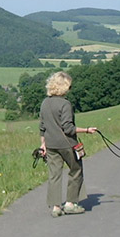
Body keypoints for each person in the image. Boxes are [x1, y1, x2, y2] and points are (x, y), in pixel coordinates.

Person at [39, 71, 97, 217]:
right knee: (76, 170)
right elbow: (68, 128)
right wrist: (87, 130)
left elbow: (42, 127)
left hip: (51, 144)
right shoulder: (65, 104)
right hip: (67, 144)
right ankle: (71, 203)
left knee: (54, 175)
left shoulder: (45, 103)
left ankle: (56, 207)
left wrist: (43, 145)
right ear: (64, 87)